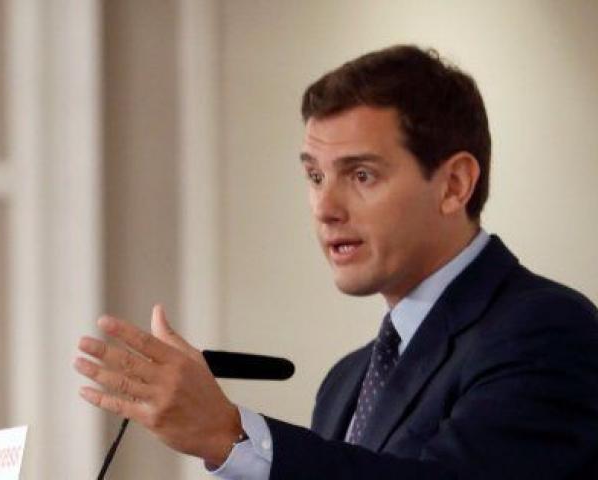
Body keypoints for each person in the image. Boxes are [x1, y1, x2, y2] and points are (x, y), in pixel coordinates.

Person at [74, 45, 598, 479]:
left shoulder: (547, 331)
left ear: (454, 185)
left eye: (361, 175)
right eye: (315, 176)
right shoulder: (346, 382)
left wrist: (230, 436)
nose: (325, 208)